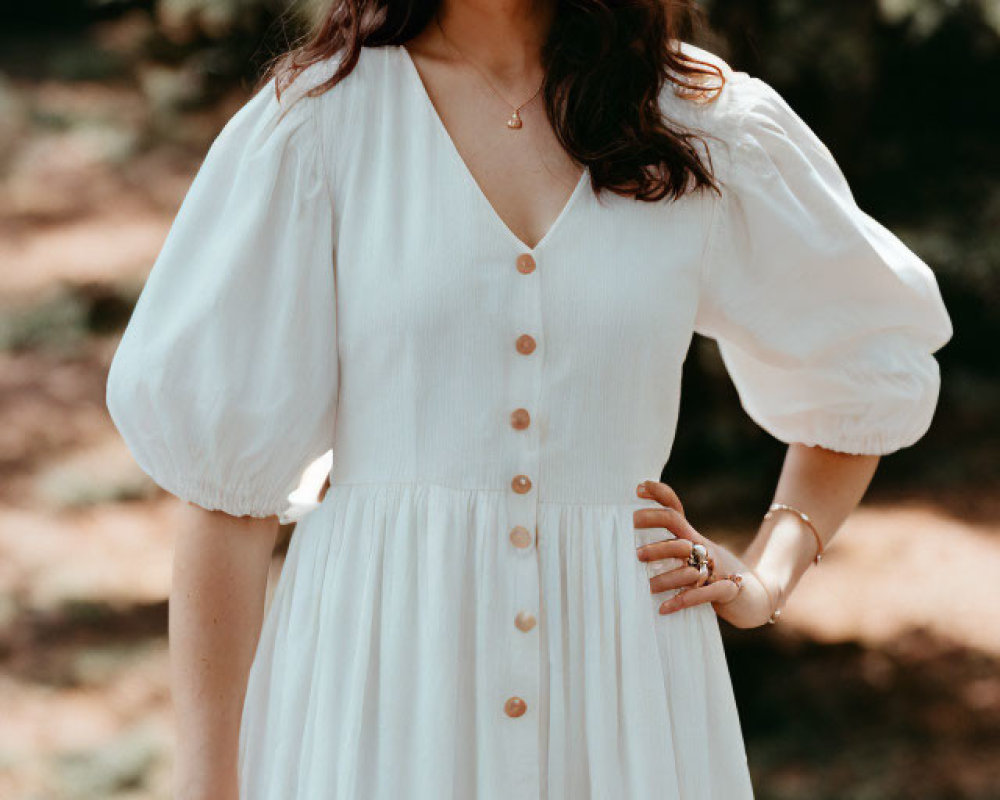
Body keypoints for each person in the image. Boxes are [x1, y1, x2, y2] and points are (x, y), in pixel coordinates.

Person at [104, 0, 953, 797]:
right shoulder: (319, 122)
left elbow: (864, 357)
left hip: (628, 684)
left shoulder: (703, 121)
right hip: (382, 676)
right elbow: (225, 502)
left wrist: (764, 578)